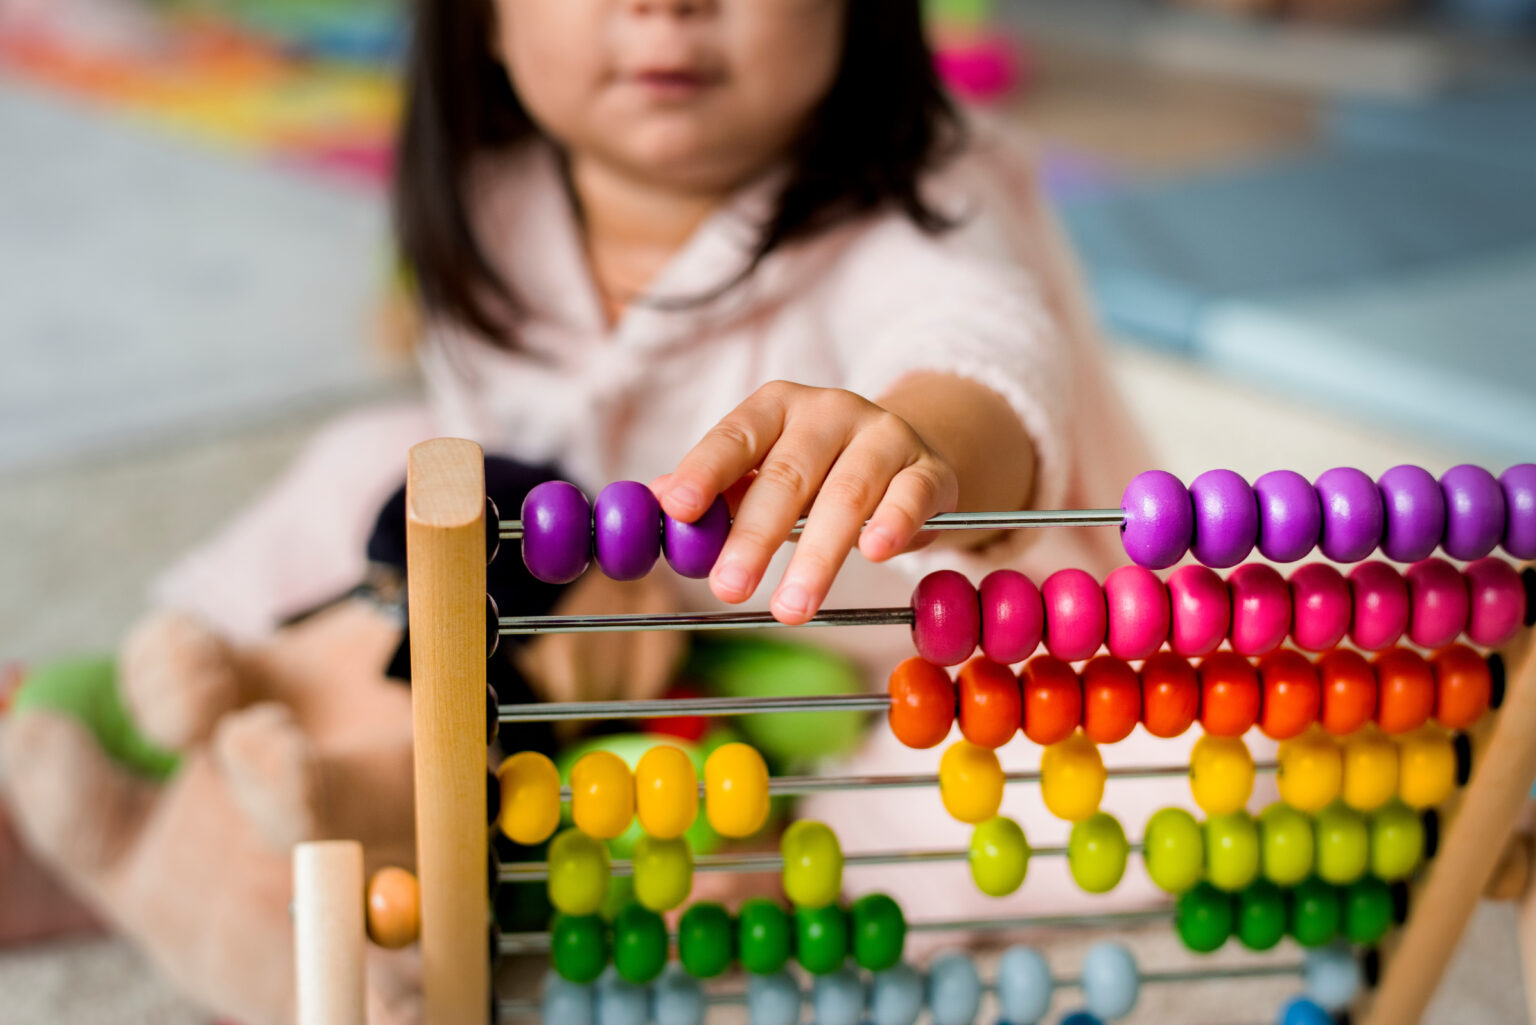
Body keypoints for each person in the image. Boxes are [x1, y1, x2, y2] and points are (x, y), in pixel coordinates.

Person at [2, 0, 1162, 1002]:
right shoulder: (497, 195)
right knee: (385, 459)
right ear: (487, 23)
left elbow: (982, 346)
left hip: (898, 678)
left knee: (1151, 777)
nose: (665, 5)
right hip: (589, 627)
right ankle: (173, 697)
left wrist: (922, 440)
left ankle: (755, 849)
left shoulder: (924, 192)